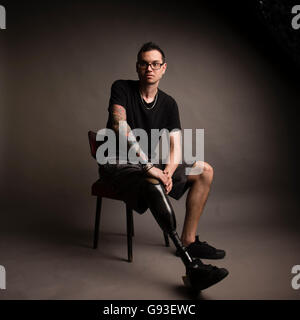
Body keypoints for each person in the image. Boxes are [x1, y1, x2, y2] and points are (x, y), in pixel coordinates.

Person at [98, 42, 228, 291]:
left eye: (155, 64)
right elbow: (119, 125)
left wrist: (168, 171)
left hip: (147, 165)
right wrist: (149, 167)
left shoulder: (169, 103)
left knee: (204, 170)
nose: (150, 68)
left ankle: (189, 241)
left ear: (163, 68)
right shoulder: (122, 88)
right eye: (144, 63)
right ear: (138, 67)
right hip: (116, 163)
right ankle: (192, 266)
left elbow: (175, 145)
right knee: (152, 181)